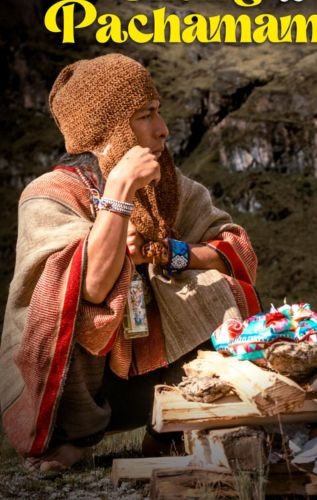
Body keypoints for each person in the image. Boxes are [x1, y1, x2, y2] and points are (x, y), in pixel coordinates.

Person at [0, 53, 260, 472]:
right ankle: (73, 442)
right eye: (146, 116)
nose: (163, 130)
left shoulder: (168, 186)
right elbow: (90, 289)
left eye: (158, 113)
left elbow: (236, 251)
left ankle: (169, 430)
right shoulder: (48, 195)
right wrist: (119, 192)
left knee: (224, 291)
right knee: (70, 304)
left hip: (146, 375)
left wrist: (171, 254)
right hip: (74, 388)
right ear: (107, 133)